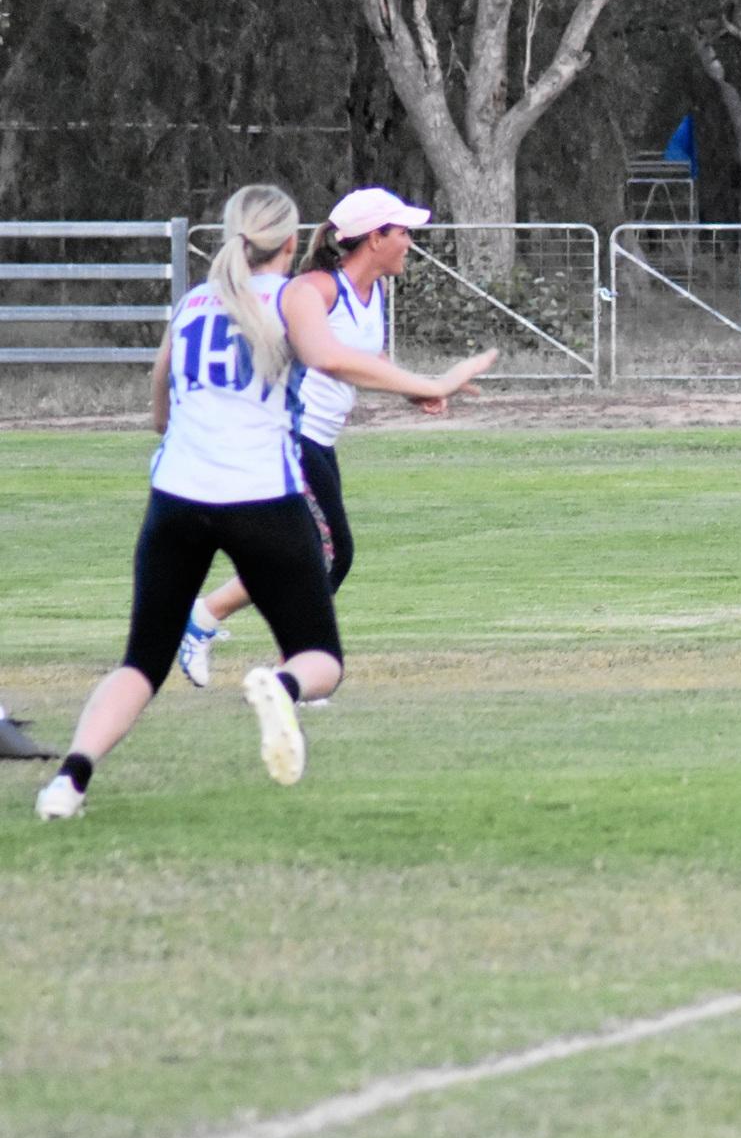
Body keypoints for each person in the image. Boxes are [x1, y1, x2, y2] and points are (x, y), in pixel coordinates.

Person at [35, 185, 495, 821]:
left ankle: (68, 782)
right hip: (260, 496)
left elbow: (160, 383)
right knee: (320, 661)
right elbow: (328, 357)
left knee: (140, 666)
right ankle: (277, 687)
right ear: (287, 242)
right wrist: (435, 382)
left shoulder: (196, 299)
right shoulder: (297, 294)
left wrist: (171, 431)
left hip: (175, 499)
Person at [175, 187, 443, 689]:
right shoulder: (320, 288)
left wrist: (412, 391)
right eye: (402, 231)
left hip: (320, 443)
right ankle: (285, 672)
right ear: (374, 239)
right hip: (293, 438)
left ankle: (209, 622)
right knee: (330, 553)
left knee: (309, 557)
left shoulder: (375, 292)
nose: (410, 241)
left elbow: (363, 357)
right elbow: (287, 339)